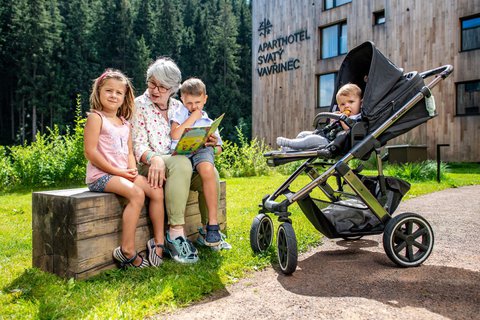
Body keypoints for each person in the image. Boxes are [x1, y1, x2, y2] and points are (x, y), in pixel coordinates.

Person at [131, 57, 228, 263]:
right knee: (182, 162)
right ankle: (175, 234)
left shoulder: (180, 105)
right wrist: (154, 158)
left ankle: (206, 231)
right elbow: (138, 144)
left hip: (181, 164)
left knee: (209, 173)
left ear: (174, 88)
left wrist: (206, 141)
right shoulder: (139, 105)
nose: (155, 90)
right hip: (151, 165)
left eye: (163, 86)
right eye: (152, 83)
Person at [84, 69, 166, 269]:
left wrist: (131, 170)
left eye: (118, 93)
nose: (113, 95)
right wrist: (119, 172)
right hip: (101, 176)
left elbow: (130, 152)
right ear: (99, 93)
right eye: (108, 91)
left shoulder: (124, 123)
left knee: (156, 191)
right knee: (137, 194)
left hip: (123, 174)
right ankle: (127, 250)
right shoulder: (96, 118)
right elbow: (91, 153)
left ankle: (158, 243)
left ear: (124, 97)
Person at [170, 78, 223, 247]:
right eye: (189, 103)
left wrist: (214, 144)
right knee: (183, 171)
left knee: (208, 170)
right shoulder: (179, 113)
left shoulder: (208, 120)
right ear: (182, 100)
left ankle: (213, 225)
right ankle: (180, 230)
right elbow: (175, 135)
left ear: (205, 99)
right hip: (183, 152)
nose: (194, 107)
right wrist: (192, 118)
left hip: (202, 150)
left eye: (198, 103)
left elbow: (220, 149)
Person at [276, 83, 363, 150]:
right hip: (325, 135)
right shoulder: (340, 114)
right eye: (343, 104)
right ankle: (292, 150)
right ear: (339, 106)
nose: (347, 106)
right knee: (302, 134)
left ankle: (290, 143)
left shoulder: (358, 118)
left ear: (361, 103)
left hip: (332, 143)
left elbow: (349, 130)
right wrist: (333, 120)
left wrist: (342, 120)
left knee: (311, 139)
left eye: (351, 102)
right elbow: (331, 127)